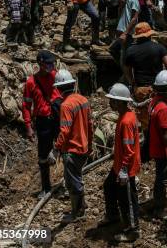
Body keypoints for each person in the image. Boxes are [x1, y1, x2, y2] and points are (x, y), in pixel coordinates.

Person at [50, 69, 92, 224]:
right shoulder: (83, 100)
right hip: (84, 147)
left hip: (72, 150)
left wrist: (56, 148)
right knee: (78, 177)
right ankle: (82, 204)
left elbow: (65, 131)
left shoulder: (66, 106)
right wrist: (91, 143)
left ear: (58, 89)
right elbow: (90, 124)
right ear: (72, 84)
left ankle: (78, 213)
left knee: (72, 182)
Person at [100, 83, 140, 242]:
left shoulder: (126, 121)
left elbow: (129, 150)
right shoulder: (125, 116)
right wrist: (116, 151)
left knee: (127, 200)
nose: (110, 103)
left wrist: (124, 169)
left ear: (119, 102)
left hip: (126, 167)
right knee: (109, 186)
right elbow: (125, 144)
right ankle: (113, 215)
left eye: (112, 100)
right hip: (119, 164)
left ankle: (133, 230)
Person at [22, 50, 62, 197]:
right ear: (40, 63)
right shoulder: (31, 82)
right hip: (43, 122)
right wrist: (28, 126)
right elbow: (26, 106)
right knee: (43, 156)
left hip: (57, 118)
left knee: (64, 149)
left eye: (52, 63)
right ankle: (46, 187)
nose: (51, 66)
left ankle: (67, 183)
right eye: (48, 63)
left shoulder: (56, 76)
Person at [124, 22, 167, 128]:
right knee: (161, 116)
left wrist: (132, 82)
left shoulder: (130, 50)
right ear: (150, 34)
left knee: (145, 121)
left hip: (140, 90)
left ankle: (148, 140)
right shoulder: (159, 48)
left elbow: (127, 70)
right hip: (158, 89)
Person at [148, 70, 167, 219]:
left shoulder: (154, 102)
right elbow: (165, 133)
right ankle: (159, 207)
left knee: (160, 176)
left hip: (155, 146)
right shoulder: (163, 109)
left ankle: (159, 202)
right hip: (162, 149)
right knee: (162, 178)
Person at [111, 0, 140, 65]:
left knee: (125, 55)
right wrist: (121, 5)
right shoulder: (123, 0)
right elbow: (120, 16)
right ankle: (124, 73)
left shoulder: (134, 0)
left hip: (127, 32)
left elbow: (134, 18)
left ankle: (127, 74)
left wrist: (125, 33)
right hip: (121, 30)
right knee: (118, 52)